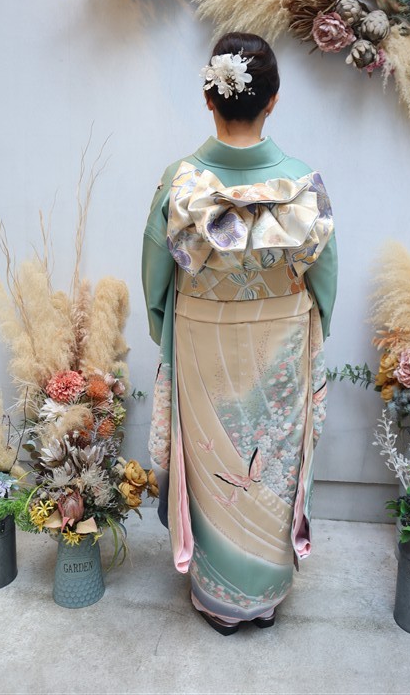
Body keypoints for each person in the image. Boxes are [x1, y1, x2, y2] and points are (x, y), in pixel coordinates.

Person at [142, 32, 338, 635]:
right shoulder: (302, 183)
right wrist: (303, 328)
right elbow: (325, 284)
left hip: (201, 340)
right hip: (282, 346)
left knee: (213, 464)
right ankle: (266, 594)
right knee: (272, 460)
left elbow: (156, 280)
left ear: (209, 97)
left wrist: (170, 329)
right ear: (273, 100)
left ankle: (216, 596)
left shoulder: (180, 182)